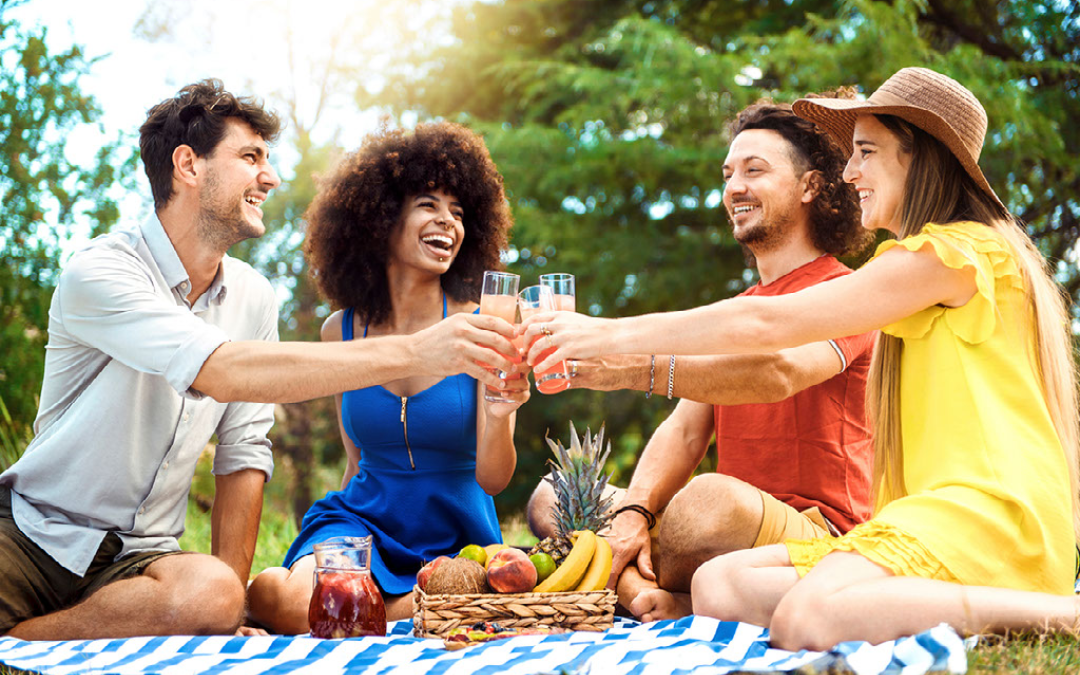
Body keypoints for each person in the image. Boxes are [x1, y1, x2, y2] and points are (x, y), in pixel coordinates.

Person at [521, 67, 1080, 647]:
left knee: (805, 619)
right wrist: (634, 505)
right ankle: (646, 583)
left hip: (987, 518)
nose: (850, 171)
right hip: (932, 516)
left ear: (919, 157)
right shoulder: (914, 266)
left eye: (865, 151)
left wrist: (602, 335)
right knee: (718, 585)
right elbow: (706, 395)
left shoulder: (957, 253)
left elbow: (770, 336)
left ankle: (1062, 614)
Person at [0, 80, 519, 640]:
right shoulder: (101, 272)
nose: (269, 178)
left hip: (140, 559)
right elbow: (221, 370)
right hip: (37, 533)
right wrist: (418, 349)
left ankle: (24, 640)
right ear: (188, 165)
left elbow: (243, 450)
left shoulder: (253, 296)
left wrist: (227, 614)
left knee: (215, 593)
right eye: (251, 158)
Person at [527, 99, 876, 622]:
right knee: (552, 492)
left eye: (755, 170)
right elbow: (686, 432)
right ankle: (646, 587)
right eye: (728, 173)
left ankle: (639, 585)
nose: (734, 186)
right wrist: (634, 510)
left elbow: (776, 372)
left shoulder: (850, 294)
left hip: (812, 533)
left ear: (811, 187)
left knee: (706, 502)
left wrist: (627, 366)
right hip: (713, 536)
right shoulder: (736, 311)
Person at [247, 122, 527, 631]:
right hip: (361, 525)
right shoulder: (342, 331)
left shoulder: (486, 321)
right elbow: (357, 462)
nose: (448, 222)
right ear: (380, 217)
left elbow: (494, 478)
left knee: (325, 612)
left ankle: (376, 611)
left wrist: (502, 412)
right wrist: (331, 560)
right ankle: (410, 612)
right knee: (281, 597)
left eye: (459, 212)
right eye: (429, 204)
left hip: (456, 535)